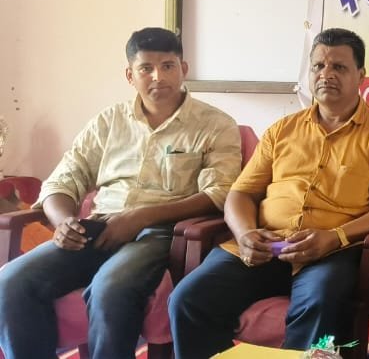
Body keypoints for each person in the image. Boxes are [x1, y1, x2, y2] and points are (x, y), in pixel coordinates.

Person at [169, 28, 369, 357]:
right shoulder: (283, 130)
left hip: (331, 252)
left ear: (361, 76)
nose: (326, 74)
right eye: (318, 66)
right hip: (266, 245)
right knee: (188, 300)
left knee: (322, 302)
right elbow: (241, 193)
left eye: (339, 67)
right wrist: (244, 234)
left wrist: (336, 237)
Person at [0, 27, 242, 359]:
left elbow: (219, 193)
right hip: (96, 228)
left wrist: (140, 217)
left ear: (183, 69)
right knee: (11, 282)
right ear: (130, 75)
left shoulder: (215, 124)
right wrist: (64, 221)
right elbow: (62, 181)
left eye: (168, 66)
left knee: (110, 288)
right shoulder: (108, 122)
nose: (158, 77)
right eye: (146, 68)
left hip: (160, 233)